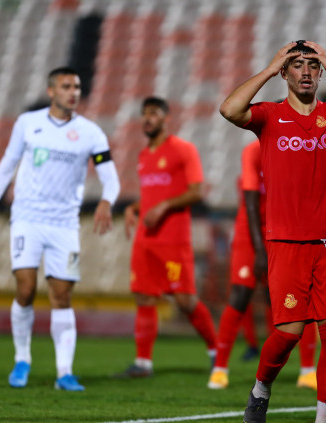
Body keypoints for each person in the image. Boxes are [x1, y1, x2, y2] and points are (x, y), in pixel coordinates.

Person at [220, 40, 326, 423]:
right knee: (288, 334)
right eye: (297, 65)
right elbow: (229, 109)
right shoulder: (269, 116)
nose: (306, 71)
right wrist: (270, 66)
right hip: (287, 243)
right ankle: (261, 389)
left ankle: (323, 419)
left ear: (321, 72)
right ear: (285, 73)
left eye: (313, 65)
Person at [0, 67, 121, 391]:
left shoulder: (91, 133)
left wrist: (106, 201)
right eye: (66, 86)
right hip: (27, 219)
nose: (74, 92)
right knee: (26, 289)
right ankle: (22, 358)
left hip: (65, 224)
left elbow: (110, 177)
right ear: (51, 91)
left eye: (77, 87)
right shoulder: (27, 123)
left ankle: (64, 372)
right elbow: (7, 164)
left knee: (62, 295)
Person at [115, 96, 217, 378]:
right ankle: (143, 363)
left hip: (173, 240)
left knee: (185, 301)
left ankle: (216, 350)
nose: (148, 118)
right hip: (145, 240)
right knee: (143, 297)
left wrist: (164, 207)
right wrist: (134, 208)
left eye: (154, 113)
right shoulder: (144, 156)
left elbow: (196, 192)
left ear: (166, 118)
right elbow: (152, 196)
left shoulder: (183, 149)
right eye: (144, 114)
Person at [208, 139, 318, 391]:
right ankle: (219, 369)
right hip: (251, 230)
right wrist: (260, 249)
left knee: (299, 296)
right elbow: (250, 201)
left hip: (284, 230)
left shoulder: (299, 150)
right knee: (240, 294)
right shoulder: (253, 152)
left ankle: (307, 370)